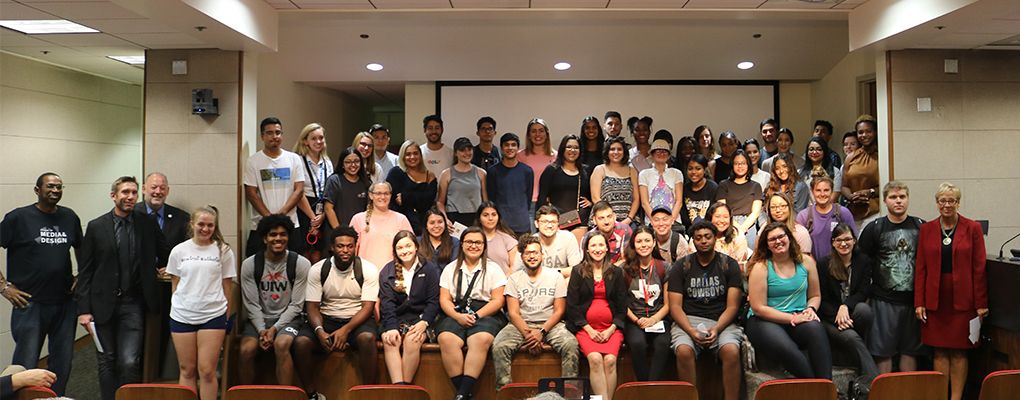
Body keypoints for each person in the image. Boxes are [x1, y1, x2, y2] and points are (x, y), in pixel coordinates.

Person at [77, 176, 171, 400]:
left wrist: (161, 267)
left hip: (134, 303)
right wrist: (83, 310)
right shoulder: (96, 226)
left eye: (134, 193)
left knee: (130, 360)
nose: (130, 197)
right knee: (107, 359)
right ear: (114, 196)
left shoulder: (146, 222)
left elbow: (166, 251)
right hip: (102, 304)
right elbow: (85, 272)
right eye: (125, 192)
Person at [0, 173, 81, 396]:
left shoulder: (69, 217)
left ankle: (54, 397)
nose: (55, 190)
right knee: (25, 365)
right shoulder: (18, 218)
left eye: (59, 187)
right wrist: (4, 287)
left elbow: (80, 247)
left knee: (62, 363)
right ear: (37, 190)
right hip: (30, 304)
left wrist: (80, 275)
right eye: (50, 187)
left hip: (65, 303)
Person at [915, 183, 988, 400]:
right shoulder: (926, 229)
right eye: (943, 201)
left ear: (958, 202)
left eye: (952, 200)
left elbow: (979, 267)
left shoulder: (972, 228)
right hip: (935, 298)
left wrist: (981, 302)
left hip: (964, 298)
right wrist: (919, 301)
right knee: (938, 350)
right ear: (937, 203)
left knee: (958, 351)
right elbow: (921, 268)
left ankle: (956, 398)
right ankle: (940, 396)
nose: (947, 205)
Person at [237, 214, 320, 399]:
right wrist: (261, 330)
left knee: (282, 345)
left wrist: (274, 329)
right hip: (259, 319)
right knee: (245, 350)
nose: (278, 239)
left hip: (289, 319)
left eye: (283, 234)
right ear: (265, 237)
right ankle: (244, 396)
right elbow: (251, 304)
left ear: (288, 237)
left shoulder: (300, 263)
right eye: (273, 234)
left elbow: (297, 305)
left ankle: (285, 396)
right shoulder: (250, 264)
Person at [744, 222, 831, 379]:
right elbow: (758, 308)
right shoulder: (761, 267)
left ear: (789, 238)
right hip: (764, 321)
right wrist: (794, 318)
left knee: (816, 329)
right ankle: (817, 388)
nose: (778, 241)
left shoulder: (806, 261)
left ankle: (828, 387)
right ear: (767, 245)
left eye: (781, 236)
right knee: (788, 348)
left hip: (798, 316)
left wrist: (810, 309)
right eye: (772, 239)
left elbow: (815, 296)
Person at [166, 205, 235, 400]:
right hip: (182, 316)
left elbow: (227, 288)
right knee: (187, 370)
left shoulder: (224, 250)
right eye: (201, 224)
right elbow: (175, 285)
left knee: (207, 371)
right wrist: (179, 308)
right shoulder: (179, 251)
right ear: (192, 224)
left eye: (210, 225)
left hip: (213, 317)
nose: (205, 229)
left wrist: (226, 320)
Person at [493, 234, 579, 389]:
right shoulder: (514, 279)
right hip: (521, 324)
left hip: (551, 324)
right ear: (522, 256)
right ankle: (504, 392)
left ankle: (569, 393)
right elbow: (513, 313)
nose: (532, 256)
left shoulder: (556, 277)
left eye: (535, 252)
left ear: (542, 254)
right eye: (527, 253)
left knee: (571, 344)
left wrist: (541, 331)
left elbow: (559, 311)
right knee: (499, 346)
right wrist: (529, 335)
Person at [669, 221, 743, 400]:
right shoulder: (682, 266)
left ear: (715, 239)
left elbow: (733, 305)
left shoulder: (729, 264)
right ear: (693, 241)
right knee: (684, 350)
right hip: (689, 320)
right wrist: (691, 330)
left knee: (731, 351)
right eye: (698, 238)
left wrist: (717, 329)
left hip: (722, 321)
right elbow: (675, 306)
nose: (703, 241)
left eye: (708, 237)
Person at [857, 181, 924, 374]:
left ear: (908, 199)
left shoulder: (921, 226)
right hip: (883, 300)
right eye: (893, 197)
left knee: (910, 352)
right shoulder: (874, 227)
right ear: (885, 201)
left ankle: (908, 394)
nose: (898, 201)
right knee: (882, 352)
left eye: (902, 196)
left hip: (913, 301)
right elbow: (863, 264)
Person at [437, 227, 507, 400]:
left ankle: (461, 394)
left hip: (485, 312)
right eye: (469, 242)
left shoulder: (493, 269)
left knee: (480, 338)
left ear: (484, 246)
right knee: (446, 338)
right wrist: (457, 316)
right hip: (457, 311)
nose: (473, 246)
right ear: (461, 244)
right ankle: (465, 394)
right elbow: (444, 299)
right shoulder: (451, 268)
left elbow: (498, 300)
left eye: (478, 242)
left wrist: (477, 316)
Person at [306, 227, 381, 384]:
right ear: (332, 248)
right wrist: (319, 331)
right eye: (340, 246)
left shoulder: (368, 269)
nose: (345, 250)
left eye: (350, 246)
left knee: (367, 339)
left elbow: (367, 307)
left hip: (357, 318)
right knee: (301, 343)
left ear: (355, 247)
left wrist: (345, 330)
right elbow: (312, 307)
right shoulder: (318, 269)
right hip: (327, 317)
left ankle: (367, 393)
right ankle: (311, 394)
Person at [567, 232, 627, 400]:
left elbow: (622, 307)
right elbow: (572, 306)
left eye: (601, 245)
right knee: (594, 359)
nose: (597, 249)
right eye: (593, 245)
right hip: (585, 329)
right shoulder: (578, 271)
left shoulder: (616, 272)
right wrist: (589, 329)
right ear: (587, 249)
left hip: (611, 329)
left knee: (609, 361)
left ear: (607, 248)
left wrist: (611, 329)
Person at [817, 223, 879, 382]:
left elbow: (865, 291)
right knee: (852, 337)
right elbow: (822, 299)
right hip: (830, 318)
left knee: (864, 310)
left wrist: (845, 307)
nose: (843, 244)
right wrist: (839, 318)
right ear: (832, 242)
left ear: (854, 241)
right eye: (839, 240)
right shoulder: (824, 264)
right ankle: (876, 382)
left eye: (847, 239)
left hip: (852, 313)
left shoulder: (863, 261)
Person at [379, 231, 441, 385]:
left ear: (416, 247)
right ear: (395, 251)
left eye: (408, 246)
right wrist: (392, 327)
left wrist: (424, 322)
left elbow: (434, 301)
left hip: (422, 319)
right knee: (390, 341)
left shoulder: (430, 269)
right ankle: (399, 389)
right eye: (400, 248)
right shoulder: (387, 272)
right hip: (396, 319)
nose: (405, 251)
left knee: (412, 340)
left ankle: (404, 389)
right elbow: (387, 304)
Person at [244, 117, 306, 258]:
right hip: (261, 225)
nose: (274, 136)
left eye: (278, 133)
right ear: (262, 136)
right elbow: (251, 193)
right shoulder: (253, 161)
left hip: (291, 225)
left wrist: (281, 216)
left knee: (294, 268)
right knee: (255, 267)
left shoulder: (294, 158)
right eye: (270, 133)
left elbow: (299, 190)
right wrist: (270, 219)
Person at [620, 226, 671, 381]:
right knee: (637, 343)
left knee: (663, 344)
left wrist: (653, 319)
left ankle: (651, 389)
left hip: (658, 319)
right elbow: (622, 303)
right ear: (633, 244)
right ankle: (644, 387)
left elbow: (668, 304)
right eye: (639, 241)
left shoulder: (664, 267)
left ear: (654, 242)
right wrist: (637, 320)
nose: (644, 245)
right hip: (634, 320)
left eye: (647, 241)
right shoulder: (624, 269)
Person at [538, 135, 593, 244]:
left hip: (580, 221)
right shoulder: (551, 170)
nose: (572, 150)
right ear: (563, 149)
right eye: (569, 147)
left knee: (578, 257)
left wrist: (590, 203)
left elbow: (593, 194)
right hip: (556, 222)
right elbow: (542, 198)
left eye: (576, 147)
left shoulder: (586, 171)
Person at [350, 182, 413, 269]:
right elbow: (352, 251)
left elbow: (410, 250)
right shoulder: (358, 219)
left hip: (393, 275)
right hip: (365, 274)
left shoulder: (401, 219)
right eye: (378, 193)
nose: (383, 197)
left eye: (386, 193)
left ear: (390, 196)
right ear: (371, 196)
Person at [293, 124, 332, 263]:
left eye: (321, 138)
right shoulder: (298, 160)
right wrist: (313, 218)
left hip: (322, 209)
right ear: (305, 141)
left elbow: (330, 190)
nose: (318, 142)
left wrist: (321, 216)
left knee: (317, 254)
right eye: (313, 138)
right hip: (304, 208)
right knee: (305, 254)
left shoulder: (327, 162)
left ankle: (316, 283)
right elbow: (298, 191)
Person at [796, 176, 856, 261]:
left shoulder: (843, 213)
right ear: (812, 191)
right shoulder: (804, 216)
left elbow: (853, 241)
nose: (822, 194)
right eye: (818, 190)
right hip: (814, 268)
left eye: (826, 190)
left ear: (832, 191)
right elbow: (799, 247)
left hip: (840, 267)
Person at [512, 206, 582, 277]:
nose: (549, 225)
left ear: (558, 224)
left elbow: (576, 270)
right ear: (536, 223)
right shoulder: (528, 242)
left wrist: (553, 272)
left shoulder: (568, 238)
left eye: (553, 222)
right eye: (544, 222)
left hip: (560, 281)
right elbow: (517, 272)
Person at [387, 140, 438, 236]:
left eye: (415, 153)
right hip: (401, 224)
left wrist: (407, 197)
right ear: (402, 156)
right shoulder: (395, 173)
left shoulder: (429, 175)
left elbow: (429, 201)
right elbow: (395, 201)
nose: (412, 157)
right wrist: (421, 198)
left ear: (420, 155)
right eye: (408, 154)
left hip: (425, 224)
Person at [487, 133, 534, 236]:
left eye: (513, 145)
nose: (510, 148)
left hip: (522, 223)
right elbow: (491, 199)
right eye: (506, 145)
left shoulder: (527, 171)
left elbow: (528, 197)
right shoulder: (493, 171)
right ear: (501, 148)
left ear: (518, 148)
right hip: (501, 224)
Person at [716, 150, 763, 250]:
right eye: (736, 163)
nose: (740, 166)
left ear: (748, 165)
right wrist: (738, 228)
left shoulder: (755, 186)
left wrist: (743, 228)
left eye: (743, 163)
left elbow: (756, 212)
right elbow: (721, 208)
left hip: (749, 224)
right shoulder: (724, 184)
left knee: (749, 255)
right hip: (728, 222)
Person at [437, 137, 488, 229]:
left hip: (475, 217)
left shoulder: (481, 173)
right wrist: (445, 219)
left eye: (469, 149)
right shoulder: (446, 174)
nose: (467, 153)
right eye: (462, 150)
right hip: (454, 218)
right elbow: (440, 202)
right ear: (456, 153)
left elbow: (485, 201)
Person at [842, 115, 881, 230]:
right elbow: (844, 186)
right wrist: (850, 196)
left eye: (868, 131)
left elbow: (888, 184)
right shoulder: (851, 157)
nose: (864, 135)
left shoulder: (883, 155)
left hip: (875, 211)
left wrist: (871, 192)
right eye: (860, 132)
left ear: (875, 132)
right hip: (853, 212)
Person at [590, 136, 640, 226]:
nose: (616, 152)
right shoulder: (600, 169)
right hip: (604, 221)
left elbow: (636, 199)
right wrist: (610, 219)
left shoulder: (631, 171)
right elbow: (596, 198)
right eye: (612, 149)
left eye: (619, 149)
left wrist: (628, 219)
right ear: (607, 152)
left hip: (629, 221)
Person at [136, 172, 191, 248]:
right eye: (153, 187)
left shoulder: (182, 218)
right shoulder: (132, 214)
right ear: (144, 189)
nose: (158, 192)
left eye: (162, 188)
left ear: (167, 191)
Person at [518, 119, 558, 222]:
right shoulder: (520, 156)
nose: (537, 134)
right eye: (533, 131)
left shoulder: (556, 156)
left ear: (546, 134)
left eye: (541, 130)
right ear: (529, 135)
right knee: (531, 236)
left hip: (549, 202)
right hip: (528, 202)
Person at [324, 147, 371, 231]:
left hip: (358, 231)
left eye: (356, 161)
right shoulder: (334, 180)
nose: (353, 165)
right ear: (342, 164)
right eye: (348, 162)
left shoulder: (366, 183)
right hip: (336, 232)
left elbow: (368, 209)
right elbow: (328, 208)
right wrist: (340, 231)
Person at [639, 139, 683, 225]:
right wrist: (656, 220)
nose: (661, 154)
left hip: (673, 220)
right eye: (658, 151)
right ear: (652, 154)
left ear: (668, 155)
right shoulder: (644, 174)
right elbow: (644, 203)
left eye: (664, 152)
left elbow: (679, 201)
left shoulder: (676, 173)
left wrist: (670, 220)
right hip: (651, 219)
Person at [475, 201, 519, 275]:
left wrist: (505, 283)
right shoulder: (473, 239)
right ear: (479, 218)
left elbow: (515, 266)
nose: (490, 218)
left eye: (494, 215)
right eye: (485, 215)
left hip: (505, 282)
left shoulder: (508, 239)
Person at [798, 137, 842, 204]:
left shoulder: (835, 172)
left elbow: (834, 197)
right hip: (805, 212)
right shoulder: (799, 172)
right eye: (811, 149)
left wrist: (818, 211)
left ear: (825, 151)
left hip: (827, 211)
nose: (814, 152)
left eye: (819, 149)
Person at [681, 154, 718, 226]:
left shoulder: (713, 188)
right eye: (690, 169)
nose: (694, 172)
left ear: (705, 169)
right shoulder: (684, 189)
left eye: (698, 169)